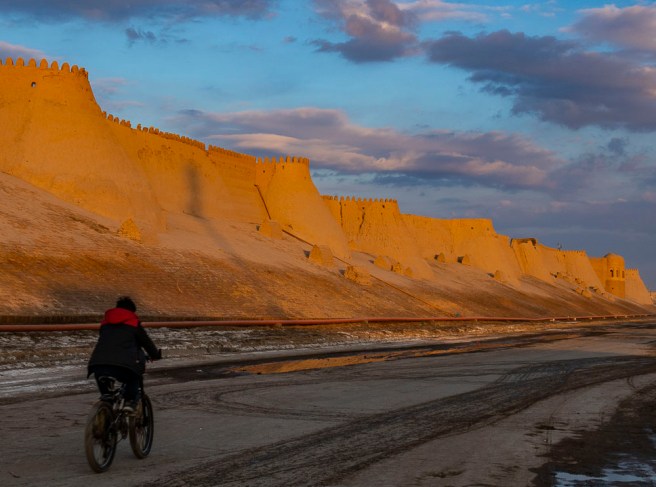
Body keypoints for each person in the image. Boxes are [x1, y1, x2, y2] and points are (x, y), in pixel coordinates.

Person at [88, 296, 162, 412]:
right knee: (134, 376)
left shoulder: (104, 324)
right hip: (125, 366)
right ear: (131, 312)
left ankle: (105, 413)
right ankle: (129, 402)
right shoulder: (134, 324)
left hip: (98, 364)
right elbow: (147, 343)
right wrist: (155, 355)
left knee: (107, 396)